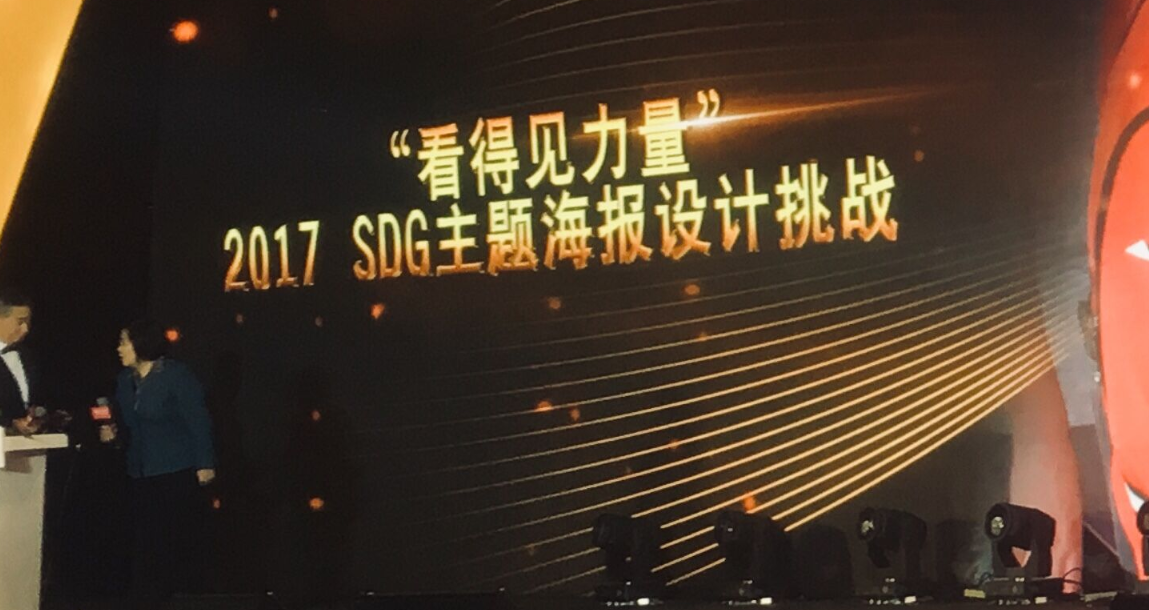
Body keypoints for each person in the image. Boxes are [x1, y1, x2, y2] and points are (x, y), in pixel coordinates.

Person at [101, 319, 215, 608]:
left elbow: (198, 419)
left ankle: (164, 597)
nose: (119, 348)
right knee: (142, 539)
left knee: (165, 539)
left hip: (173, 468)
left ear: (140, 343)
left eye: (124, 342)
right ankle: (143, 598)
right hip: (140, 469)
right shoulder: (125, 380)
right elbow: (128, 423)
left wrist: (205, 462)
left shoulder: (175, 375)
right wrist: (113, 433)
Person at [0, 289, 41, 436]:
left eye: (28, 322)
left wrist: (37, 418)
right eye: (20, 322)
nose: (26, 329)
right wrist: (9, 423)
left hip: (27, 445)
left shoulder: (29, 356)